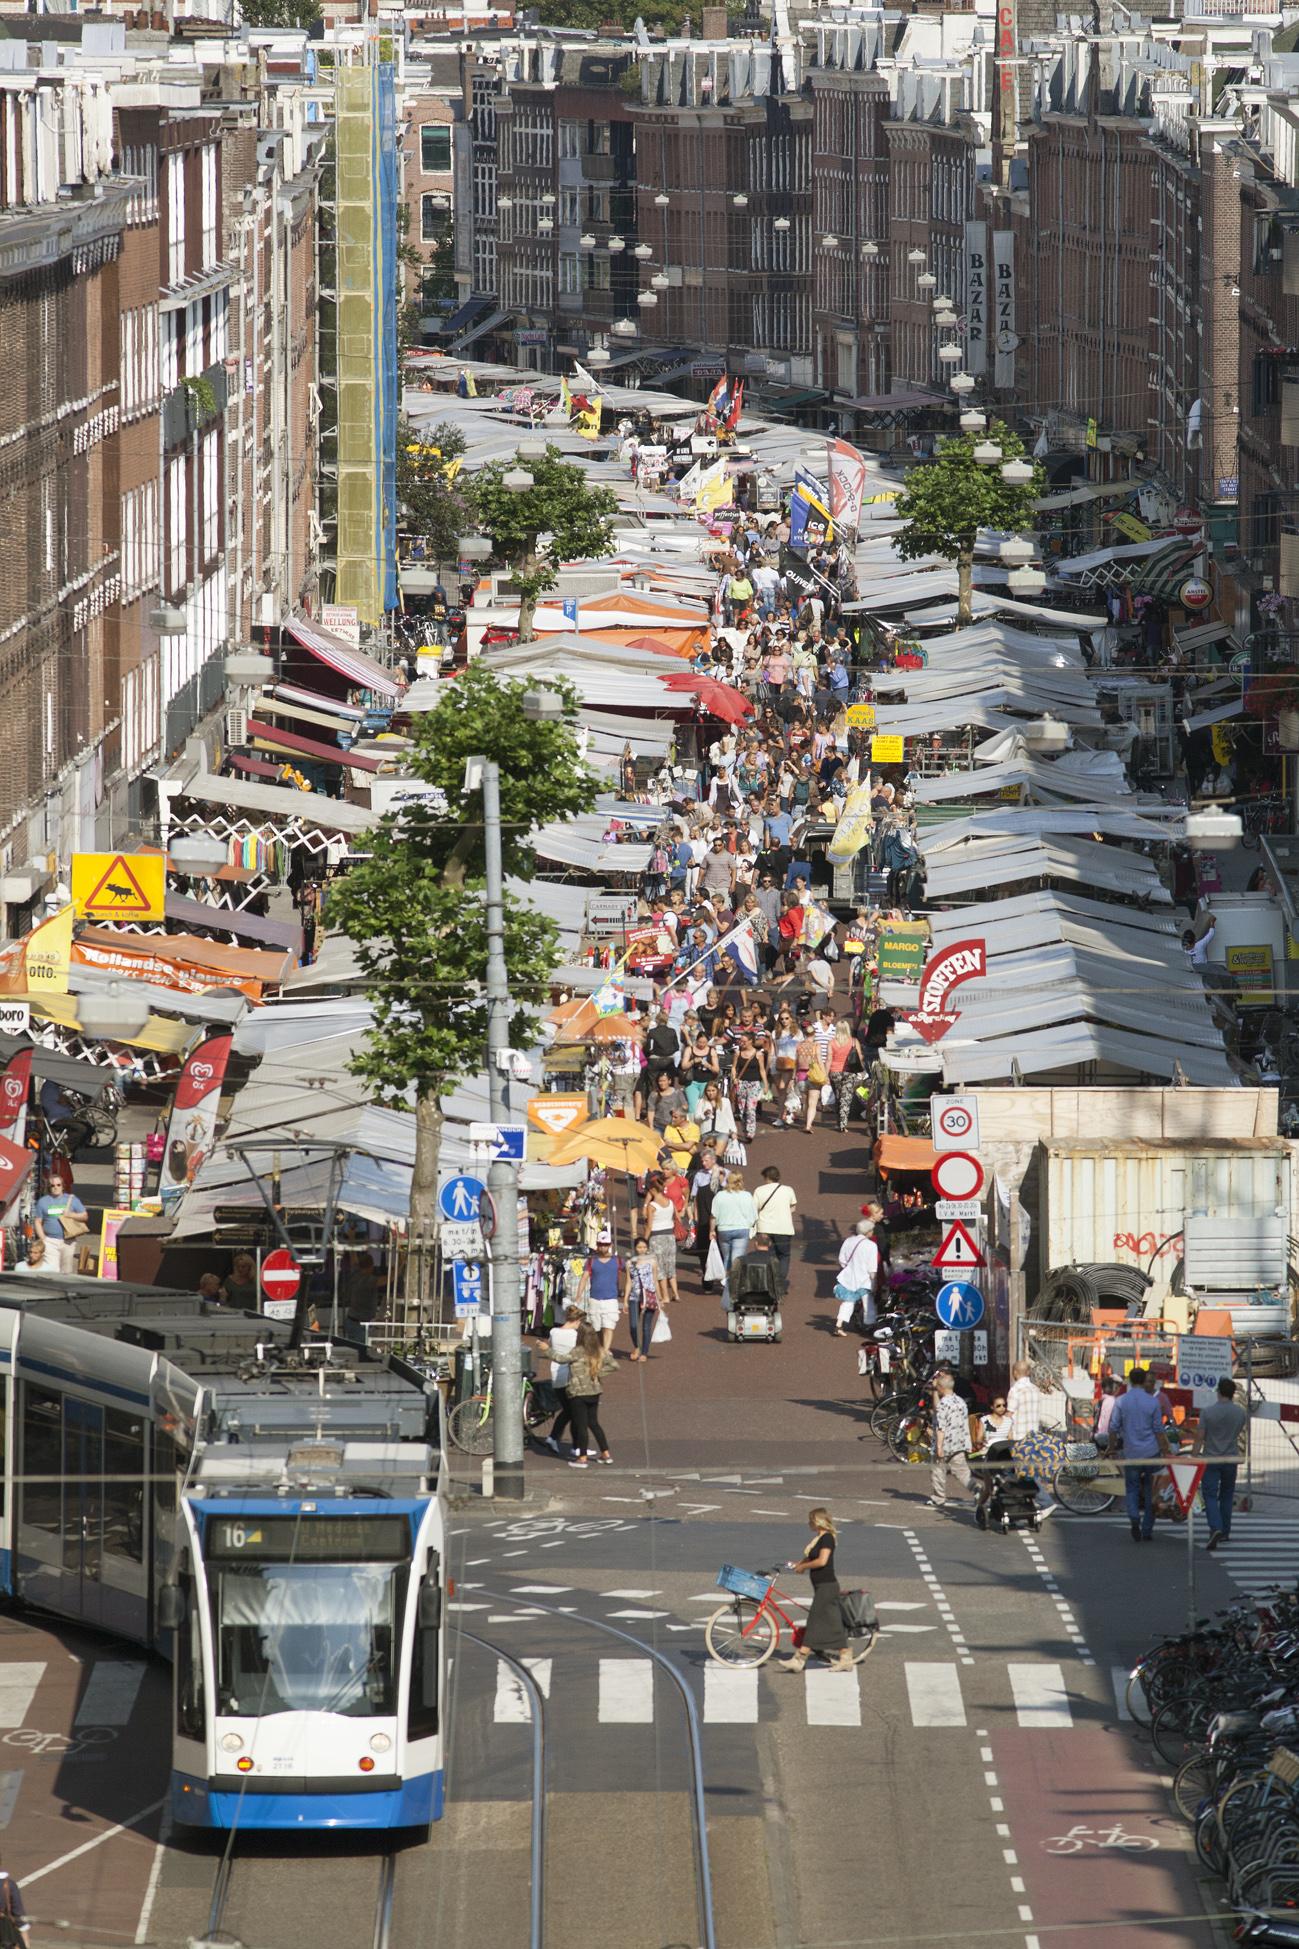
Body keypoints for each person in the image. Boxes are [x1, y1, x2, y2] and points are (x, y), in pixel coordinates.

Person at [778, 1507, 852, 1673]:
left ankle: (799, 1658)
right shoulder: (819, 1538)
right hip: (822, 1586)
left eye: (810, 1520)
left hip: (827, 1586)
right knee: (832, 1624)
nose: (808, 1523)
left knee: (814, 1622)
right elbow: (811, 1557)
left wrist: (804, 1566)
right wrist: (798, 1564)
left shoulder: (827, 1538)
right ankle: (845, 1656)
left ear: (817, 1521)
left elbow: (822, 1561)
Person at [1108, 1367, 1172, 1543]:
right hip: (1152, 1452)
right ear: (1144, 1381)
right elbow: (1159, 1430)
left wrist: (1112, 1447)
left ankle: (1134, 1517)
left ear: (1129, 1380)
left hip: (1131, 1454)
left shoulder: (1121, 1401)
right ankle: (1147, 1530)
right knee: (1151, 1492)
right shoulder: (1152, 1403)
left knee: (1132, 1489)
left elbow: (1113, 1428)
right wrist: (1165, 1449)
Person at [1194, 1376, 1248, 1550]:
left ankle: (1215, 1527)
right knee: (1226, 1494)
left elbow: (1200, 1437)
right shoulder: (1240, 1413)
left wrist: (1195, 1455)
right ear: (1233, 1394)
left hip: (1211, 1458)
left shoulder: (1207, 1412)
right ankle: (1225, 1531)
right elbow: (1238, 1432)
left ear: (1218, 1392)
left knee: (1209, 1495)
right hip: (1230, 1457)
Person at [563, 1323, 613, 1468]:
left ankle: (582, 1458)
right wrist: (596, 1373)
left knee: (581, 1425)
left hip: (579, 1392)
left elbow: (560, 1358)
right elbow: (614, 1365)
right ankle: (606, 1454)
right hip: (594, 1391)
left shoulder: (578, 1351)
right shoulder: (598, 1350)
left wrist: (546, 1350)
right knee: (594, 1423)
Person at [928, 1372, 976, 1511]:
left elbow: (941, 1427)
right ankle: (977, 1491)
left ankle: (939, 1497)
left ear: (941, 1388)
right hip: (959, 1443)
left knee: (937, 1471)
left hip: (945, 1444)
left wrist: (939, 1447)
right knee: (963, 1472)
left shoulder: (944, 1405)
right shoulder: (960, 1402)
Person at [541, 1305, 585, 1455]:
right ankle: (575, 1446)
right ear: (577, 1321)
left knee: (568, 1411)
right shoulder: (575, 1336)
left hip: (555, 1374)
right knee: (574, 1411)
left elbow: (550, 1347)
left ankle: (561, 1441)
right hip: (570, 1376)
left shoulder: (554, 1332)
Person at [710, 1171, 758, 1306]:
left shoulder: (720, 1195)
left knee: (727, 1257)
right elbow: (754, 1215)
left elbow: (713, 1215)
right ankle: (734, 1286)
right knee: (737, 1259)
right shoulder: (747, 1195)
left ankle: (727, 1283)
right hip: (741, 1228)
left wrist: (711, 1230)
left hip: (724, 1229)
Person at [576, 1234, 624, 1354]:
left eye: (606, 1245)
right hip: (595, 1299)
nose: (603, 1247)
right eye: (601, 1245)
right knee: (596, 1328)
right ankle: (601, 1348)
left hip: (611, 1299)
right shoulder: (592, 1260)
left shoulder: (617, 1260)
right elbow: (584, 1278)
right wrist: (578, 1295)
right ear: (597, 1245)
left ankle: (605, 1350)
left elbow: (630, 1273)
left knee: (609, 1326)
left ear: (610, 1245)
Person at [753, 1164, 797, 1292]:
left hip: (764, 1227)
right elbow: (793, 1207)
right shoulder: (788, 1190)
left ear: (766, 1177)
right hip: (784, 1227)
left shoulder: (759, 1190)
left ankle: (766, 1281)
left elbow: (754, 1209)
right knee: (784, 1255)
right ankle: (779, 1282)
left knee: (765, 1254)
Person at [34, 1169, 87, 1274]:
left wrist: (70, 1214)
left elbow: (84, 1216)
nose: (56, 1187)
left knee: (66, 1270)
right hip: (50, 1241)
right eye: (52, 1186)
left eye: (58, 1185)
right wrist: (43, 1239)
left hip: (68, 1241)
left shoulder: (72, 1199)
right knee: (52, 1270)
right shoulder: (43, 1201)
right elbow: (38, 1221)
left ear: (63, 1186)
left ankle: (65, 1289)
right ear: (49, 1187)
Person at [833, 1219, 880, 1335]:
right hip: (864, 1279)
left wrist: (848, 1268)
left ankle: (839, 1325)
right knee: (868, 1303)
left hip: (849, 1277)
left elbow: (842, 1259)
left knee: (848, 1301)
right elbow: (872, 1268)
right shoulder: (871, 1246)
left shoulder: (848, 1241)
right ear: (868, 1232)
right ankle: (870, 1325)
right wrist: (874, 1282)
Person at [640, 1175, 682, 1305]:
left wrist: (644, 1240)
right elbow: (678, 1218)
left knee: (659, 1269)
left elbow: (649, 1226)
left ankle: (665, 1296)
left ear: (652, 1190)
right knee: (670, 1266)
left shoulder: (652, 1206)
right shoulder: (670, 1202)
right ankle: (676, 1294)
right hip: (670, 1237)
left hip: (656, 1237)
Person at [624, 1237, 664, 1361]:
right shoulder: (630, 1263)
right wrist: (625, 1299)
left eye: (644, 1247)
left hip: (649, 1296)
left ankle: (644, 1353)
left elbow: (655, 1281)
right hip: (634, 1296)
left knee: (646, 1326)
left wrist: (660, 1297)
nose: (642, 1250)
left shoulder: (652, 1261)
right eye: (639, 1247)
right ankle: (637, 1346)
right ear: (635, 1248)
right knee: (633, 1326)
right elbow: (628, 1281)